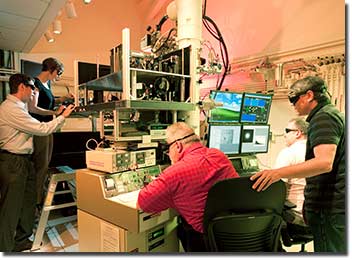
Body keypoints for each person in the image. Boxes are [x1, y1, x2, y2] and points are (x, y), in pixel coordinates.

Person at [250, 76, 345, 253]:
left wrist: (277, 173)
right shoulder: (332, 114)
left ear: (309, 95)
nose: (292, 104)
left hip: (329, 207)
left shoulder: (323, 117)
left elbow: (324, 163)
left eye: (294, 98)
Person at [0, 73, 75, 252]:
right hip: (13, 162)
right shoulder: (11, 108)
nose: (34, 91)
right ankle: (4, 248)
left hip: (24, 161)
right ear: (22, 87)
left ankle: (21, 241)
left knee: (27, 203)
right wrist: (63, 116)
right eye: (32, 87)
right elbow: (42, 129)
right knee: (10, 208)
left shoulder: (20, 107)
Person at [137, 122, 239, 252]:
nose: (168, 154)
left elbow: (142, 204)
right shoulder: (219, 155)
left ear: (177, 146)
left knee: (181, 227)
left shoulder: (174, 173)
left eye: (168, 149)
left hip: (205, 241)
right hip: (233, 232)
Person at [28, 57, 74, 207]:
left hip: (48, 129)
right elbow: (33, 108)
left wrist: (63, 99)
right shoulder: (35, 83)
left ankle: (38, 201)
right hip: (39, 130)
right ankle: (34, 205)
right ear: (51, 70)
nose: (58, 76)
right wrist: (53, 113)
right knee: (39, 168)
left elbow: (48, 102)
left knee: (44, 167)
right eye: (58, 73)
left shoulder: (47, 84)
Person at [274, 117, 309, 226]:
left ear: (298, 133)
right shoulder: (318, 153)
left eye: (287, 131)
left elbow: (277, 187)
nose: (285, 135)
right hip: (316, 215)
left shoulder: (288, 153)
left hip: (295, 215)